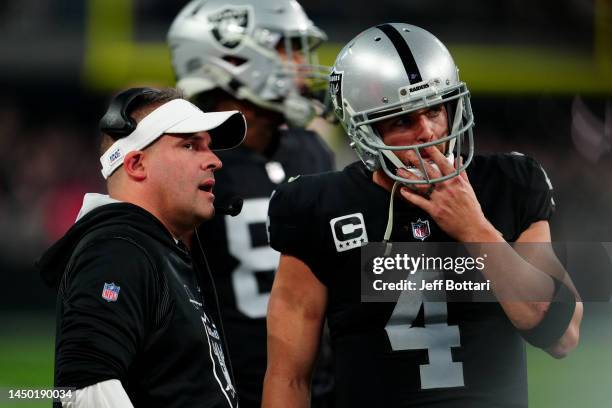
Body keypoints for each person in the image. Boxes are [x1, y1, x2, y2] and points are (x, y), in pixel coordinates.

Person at [263, 24, 583, 408]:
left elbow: (561, 336)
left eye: (434, 110)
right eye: (402, 120)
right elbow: (289, 378)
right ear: (363, 128)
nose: (427, 131)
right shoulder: (318, 205)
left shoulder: (509, 184)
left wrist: (474, 226)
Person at [167, 1, 335, 407]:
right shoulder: (186, 163)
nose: (301, 64)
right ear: (233, 58)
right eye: (288, 48)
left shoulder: (311, 151)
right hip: (229, 391)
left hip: (321, 386)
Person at [38, 87, 246, 408]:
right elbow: (83, 391)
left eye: (209, 146)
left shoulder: (150, 248)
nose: (215, 160)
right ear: (135, 164)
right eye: (190, 145)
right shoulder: (117, 250)